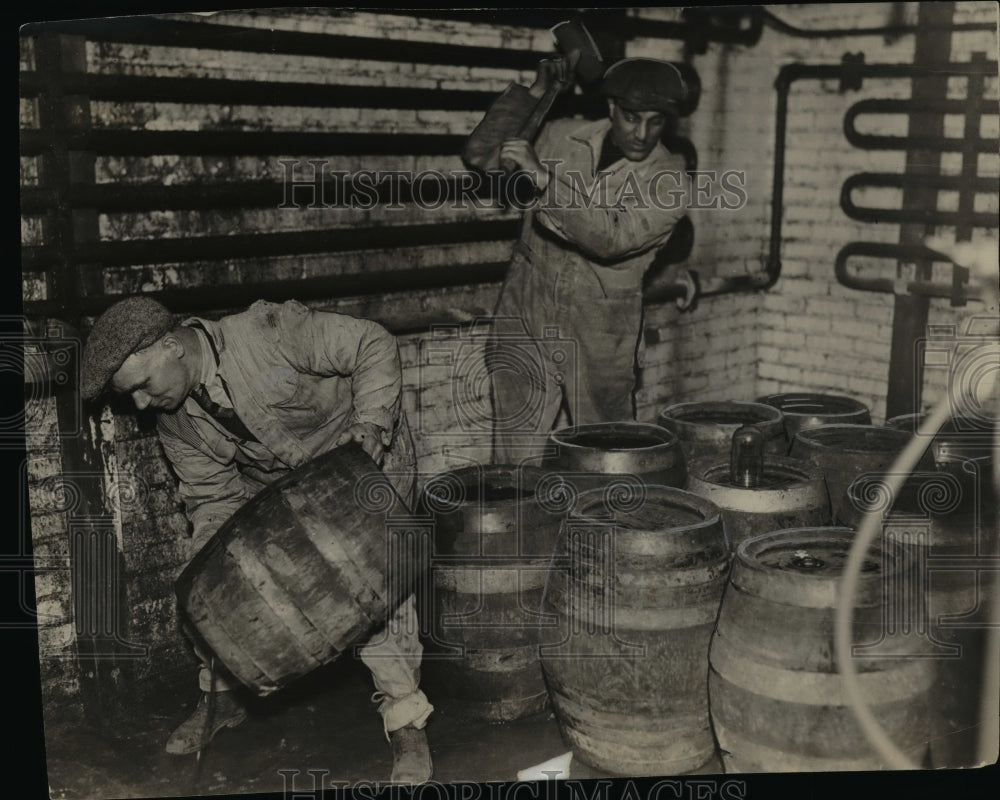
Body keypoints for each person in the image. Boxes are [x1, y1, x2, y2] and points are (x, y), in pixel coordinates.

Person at [80, 296, 433, 785]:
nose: (140, 404)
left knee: (369, 586)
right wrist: (216, 573)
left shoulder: (268, 332)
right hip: (286, 490)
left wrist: (370, 424)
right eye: (129, 396)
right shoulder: (176, 418)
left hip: (367, 461)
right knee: (210, 583)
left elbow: (372, 343)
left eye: (142, 386)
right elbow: (210, 496)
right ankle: (222, 697)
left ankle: (406, 717)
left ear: (171, 346)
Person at [462, 57, 693, 464]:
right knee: (514, 462)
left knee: (607, 457)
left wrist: (546, 182)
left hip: (601, 333)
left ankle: (607, 528)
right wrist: (535, 94)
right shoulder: (560, 137)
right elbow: (482, 155)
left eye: (655, 122)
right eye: (632, 117)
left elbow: (610, 238)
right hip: (526, 313)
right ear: (611, 107)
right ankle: (523, 525)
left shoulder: (672, 180)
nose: (641, 134)